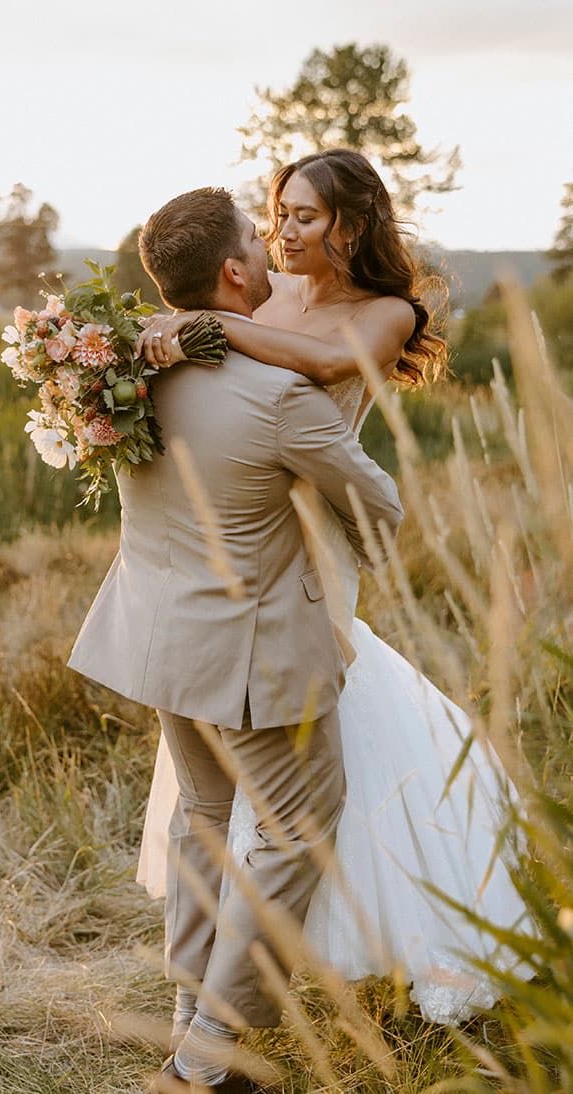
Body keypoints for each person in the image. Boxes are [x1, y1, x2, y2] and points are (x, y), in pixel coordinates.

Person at [135, 149, 535, 1037]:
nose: (283, 231)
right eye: (278, 214)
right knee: (259, 783)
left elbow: (317, 368)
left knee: (339, 749)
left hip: (312, 550)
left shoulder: (389, 312)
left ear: (352, 226)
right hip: (235, 539)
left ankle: (391, 945)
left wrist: (213, 328)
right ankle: (215, 999)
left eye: (306, 217)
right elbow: (221, 323)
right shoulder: (265, 292)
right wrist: (175, 329)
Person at [68, 184, 405, 1092]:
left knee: (207, 819)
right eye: (257, 242)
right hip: (255, 647)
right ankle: (209, 1056)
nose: (269, 249)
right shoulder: (277, 398)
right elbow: (379, 503)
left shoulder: (127, 373)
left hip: (158, 636)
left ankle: (187, 1015)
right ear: (232, 270)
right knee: (296, 829)